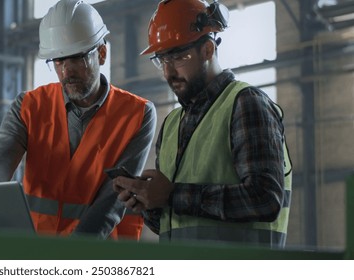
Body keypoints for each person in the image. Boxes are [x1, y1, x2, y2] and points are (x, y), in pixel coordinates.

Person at [113, 0, 292, 248]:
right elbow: (176, 221)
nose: (168, 72)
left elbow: (265, 199)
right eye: (162, 60)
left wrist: (172, 195)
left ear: (208, 49)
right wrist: (150, 204)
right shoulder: (173, 123)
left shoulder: (245, 104)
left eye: (178, 57)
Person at [0, 0, 156, 240]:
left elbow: (110, 204)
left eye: (76, 58)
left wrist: (70, 255)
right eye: (58, 61)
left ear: (101, 54)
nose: (66, 71)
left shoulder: (138, 114)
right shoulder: (28, 106)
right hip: (37, 255)